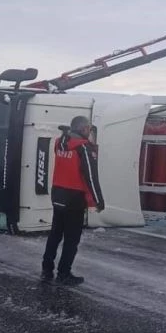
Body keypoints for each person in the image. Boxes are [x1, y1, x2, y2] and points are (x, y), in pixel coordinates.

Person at [42, 116, 105, 285]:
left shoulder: (59, 143)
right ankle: (64, 273)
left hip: (58, 193)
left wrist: (66, 133)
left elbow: (65, 152)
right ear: (84, 129)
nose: (89, 131)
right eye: (89, 128)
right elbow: (91, 176)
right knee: (71, 238)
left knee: (55, 234)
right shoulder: (83, 148)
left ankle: (47, 269)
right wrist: (99, 200)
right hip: (74, 198)